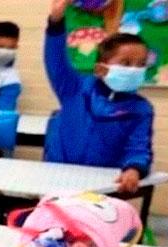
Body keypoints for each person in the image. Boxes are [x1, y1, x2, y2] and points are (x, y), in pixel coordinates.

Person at [44, 0, 154, 193]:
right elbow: (56, 60)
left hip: (103, 187)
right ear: (100, 69)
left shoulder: (141, 109)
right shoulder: (75, 89)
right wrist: (55, 22)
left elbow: (138, 148)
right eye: (126, 63)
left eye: (141, 64)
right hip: (57, 178)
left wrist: (134, 169)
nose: (135, 70)